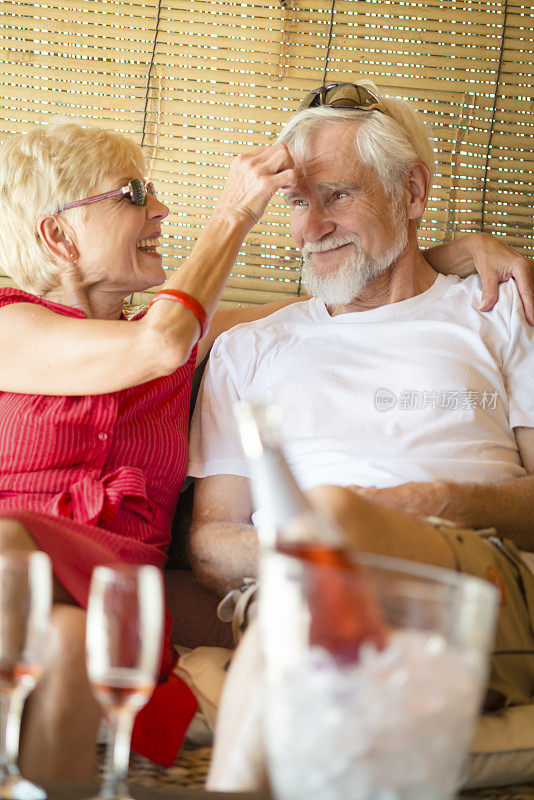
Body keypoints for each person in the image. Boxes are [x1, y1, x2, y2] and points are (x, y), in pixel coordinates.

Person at [0, 117, 527, 780]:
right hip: (24, 567)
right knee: (9, 544)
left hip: (120, 594)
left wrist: (451, 250)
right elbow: (157, 343)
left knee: (75, 637)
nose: (160, 208)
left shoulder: (196, 338)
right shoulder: (17, 323)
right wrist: (235, 210)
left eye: (336, 195)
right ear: (57, 234)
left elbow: (354, 295)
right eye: (133, 194)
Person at [188, 81, 534, 715]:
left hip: (471, 580)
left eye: (337, 196)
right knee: (324, 592)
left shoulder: (498, 309)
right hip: (295, 601)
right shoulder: (247, 349)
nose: (309, 228)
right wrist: (327, 550)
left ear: (412, 192)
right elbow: (211, 539)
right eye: (294, 202)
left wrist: (421, 506)